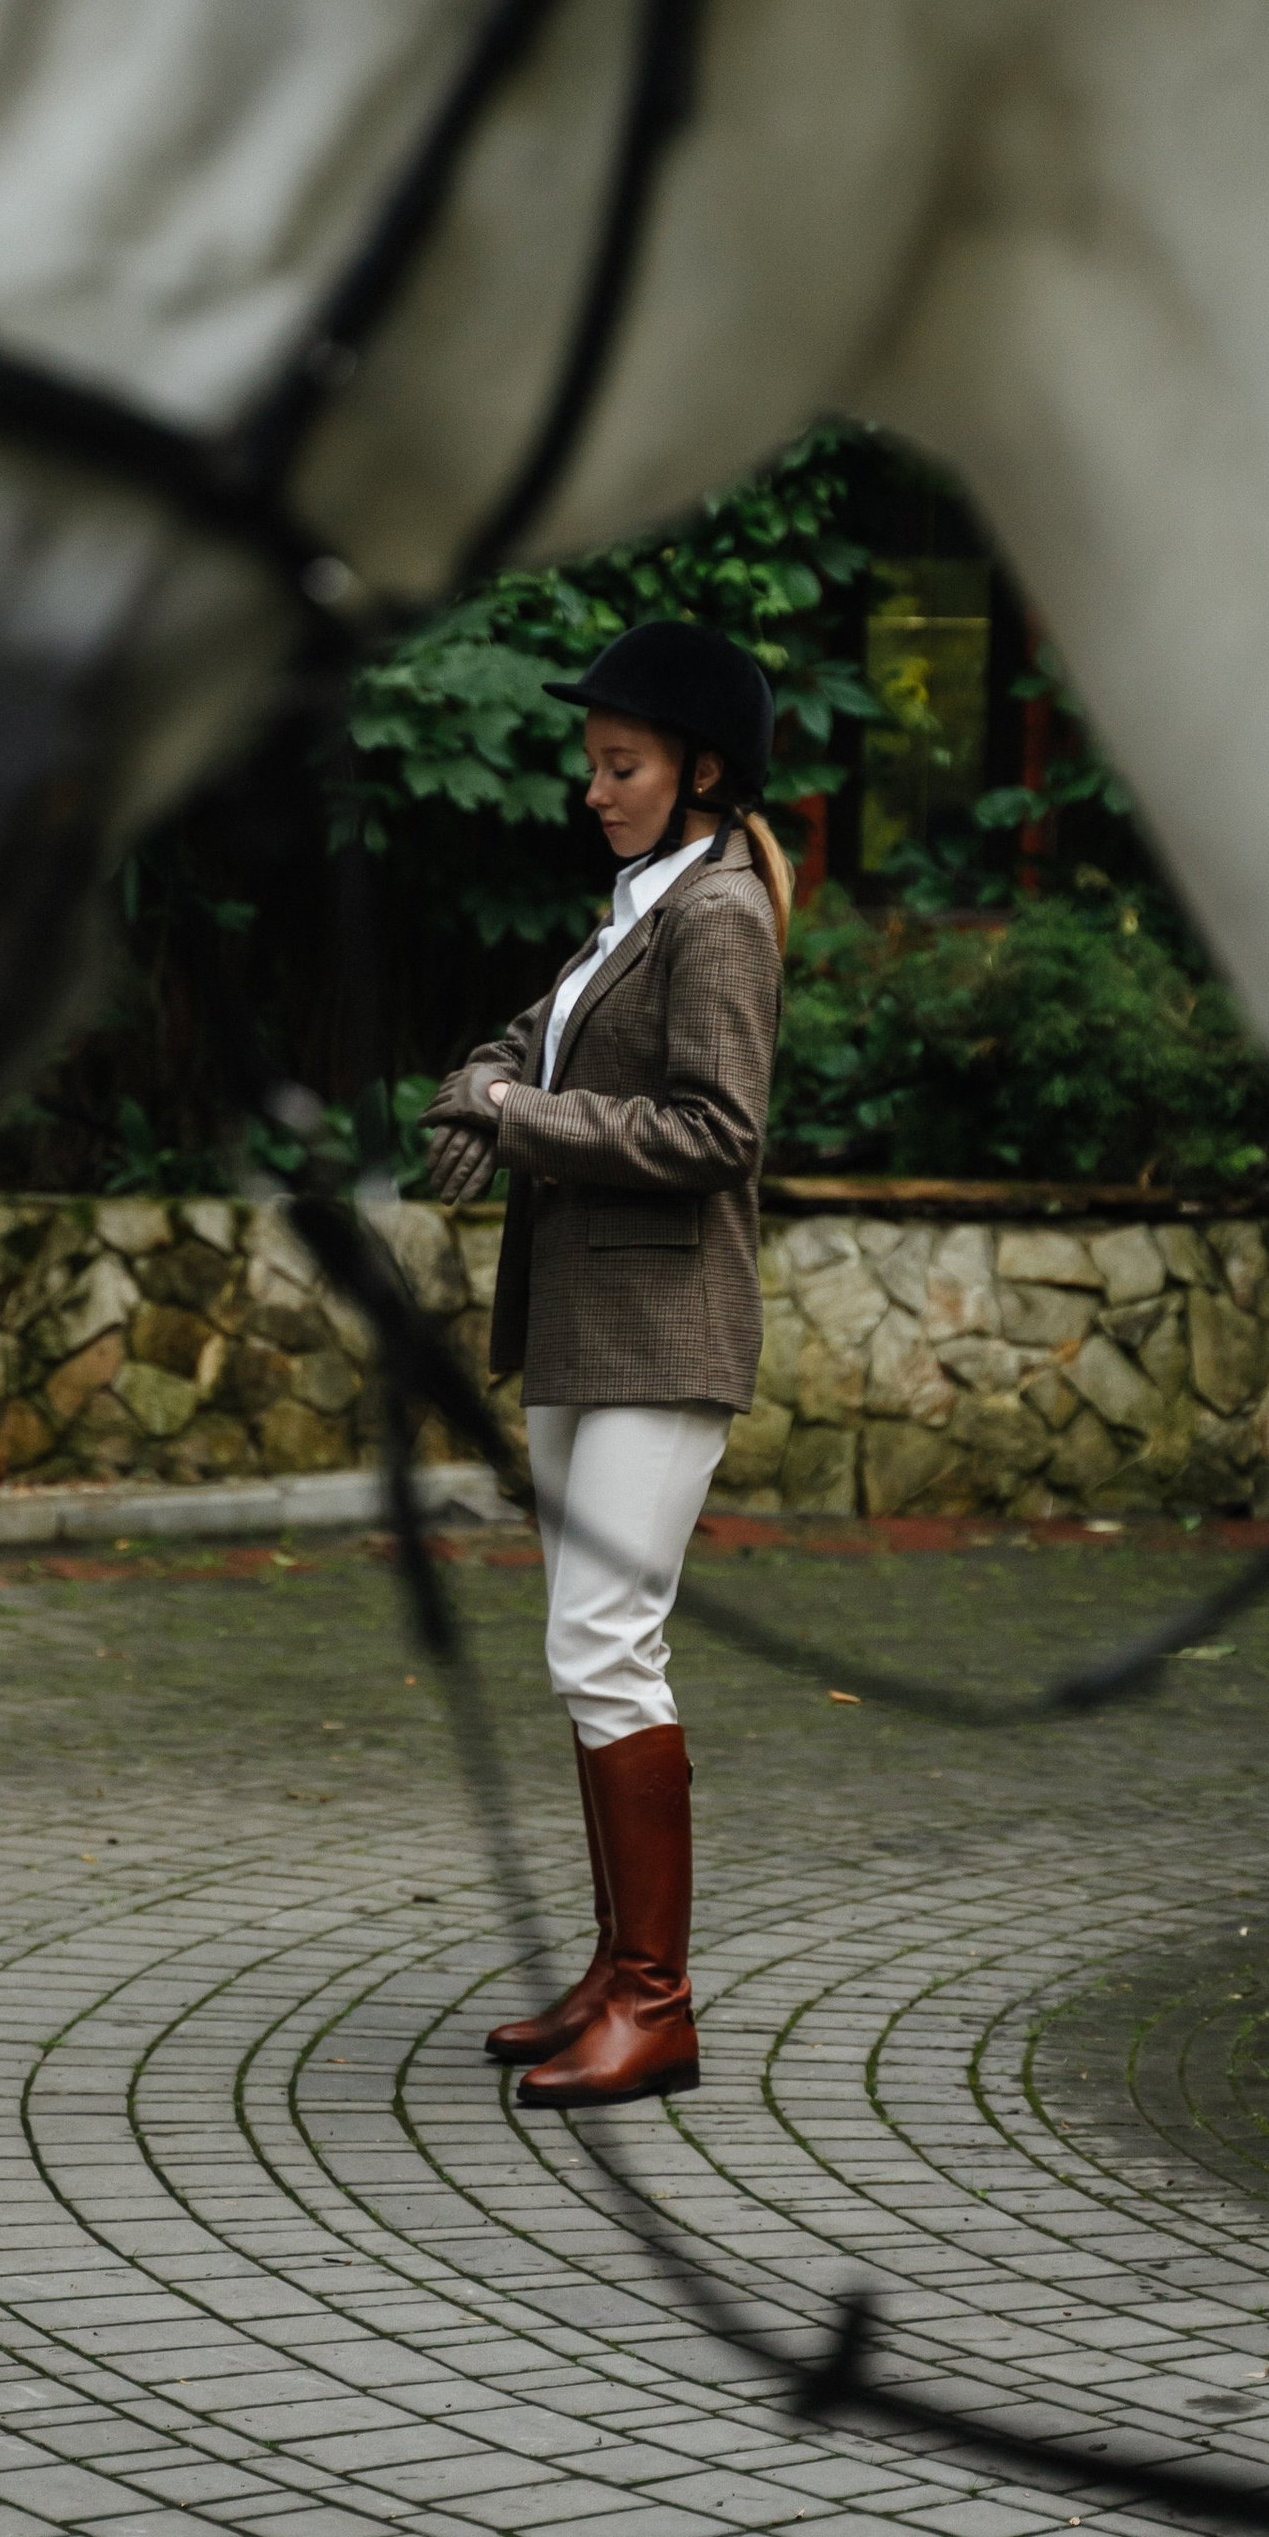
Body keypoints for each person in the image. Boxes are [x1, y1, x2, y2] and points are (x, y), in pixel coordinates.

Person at [424, 620, 791, 2112]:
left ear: (702, 772)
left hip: (663, 1327)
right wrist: (482, 1088)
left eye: (621, 763)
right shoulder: (638, 900)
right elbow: (536, 1040)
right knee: (589, 1649)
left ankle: (658, 2003)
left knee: (604, 1642)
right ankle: (614, 1974)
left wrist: (513, 1118)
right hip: (590, 1324)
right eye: (593, 763)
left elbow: (718, 1133)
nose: (596, 787)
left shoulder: (718, 916)